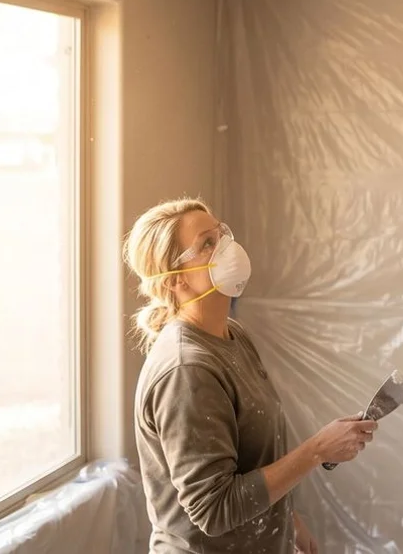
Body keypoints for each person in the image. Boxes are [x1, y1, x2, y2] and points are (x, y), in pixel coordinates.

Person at [125, 198, 378, 554]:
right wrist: (317, 450)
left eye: (221, 233)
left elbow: (251, 458)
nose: (226, 247)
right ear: (175, 280)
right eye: (207, 244)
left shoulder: (232, 335)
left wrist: (286, 519)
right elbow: (214, 509)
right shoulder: (188, 370)